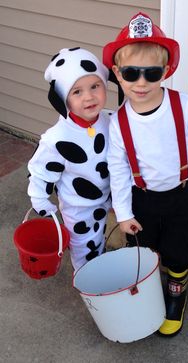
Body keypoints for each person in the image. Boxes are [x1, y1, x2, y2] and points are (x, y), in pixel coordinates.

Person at [103, 12, 188, 336]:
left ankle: (176, 291)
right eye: (131, 73)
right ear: (117, 73)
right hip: (141, 197)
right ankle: (148, 283)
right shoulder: (119, 122)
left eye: (151, 73)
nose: (141, 82)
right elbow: (118, 168)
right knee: (143, 243)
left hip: (179, 193)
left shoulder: (182, 105)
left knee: (178, 245)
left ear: (166, 71)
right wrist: (124, 212)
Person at [28, 47, 111, 272]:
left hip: (106, 198)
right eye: (77, 92)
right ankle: (86, 277)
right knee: (83, 245)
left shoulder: (108, 120)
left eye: (95, 86)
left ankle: (99, 260)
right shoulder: (57, 138)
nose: (89, 97)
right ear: (63, 99)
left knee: (100, 236)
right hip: (78, 207)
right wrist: (40, 199)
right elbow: (40, 170)